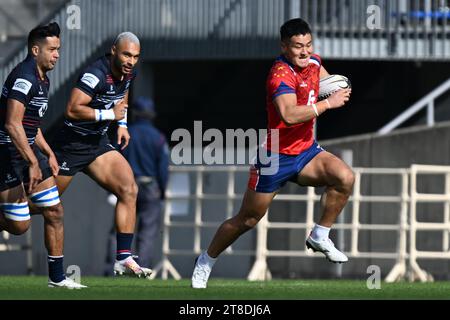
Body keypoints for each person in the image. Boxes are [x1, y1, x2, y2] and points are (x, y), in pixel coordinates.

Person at [191, 18, 354, 288]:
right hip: (275, 156)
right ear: (284, 47)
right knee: (248, 219)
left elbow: (326, 81)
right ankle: (206, 260)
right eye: (298, 46)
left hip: (306, 152)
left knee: (344, 177)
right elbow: (289, 115)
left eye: (309, 45)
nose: (305, 51)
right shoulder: (280, 74)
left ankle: (320, 235)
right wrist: (328, 104)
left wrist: (338, 85)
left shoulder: (313, 62)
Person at [49, 32, 152, 277]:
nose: (131, 61)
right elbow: (72, 110)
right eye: (126, 54)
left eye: (135, 57)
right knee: (38, 206)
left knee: (129, 189)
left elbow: (123, 95)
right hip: (71, 146)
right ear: (114, 50)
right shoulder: (95, 74)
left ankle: (123, 258)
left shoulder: (128, 73)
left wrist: (123, 125)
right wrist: (109, 116)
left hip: (98, 145)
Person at [0, 22, 85, 288]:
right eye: (52, 49)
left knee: (55, 211)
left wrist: (47, 153)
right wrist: (33, 161)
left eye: (58, 49)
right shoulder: (24, 77)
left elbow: (30, 126)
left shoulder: (43, 79)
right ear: (35, 49)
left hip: (26, 151)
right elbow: (12, 124)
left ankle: (57, 279)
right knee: (20, 227)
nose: (57, 54)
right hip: (5, 153)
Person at [104, 96, 169, 274]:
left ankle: (112, 269)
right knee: (147, 232)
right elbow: (163, 169)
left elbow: (114, 163)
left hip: (125, 186)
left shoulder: (125, 134)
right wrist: (162, 192)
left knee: (119, 228)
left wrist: (111, 189)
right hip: (150, 188)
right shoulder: (158, 138)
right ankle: (140, 270)